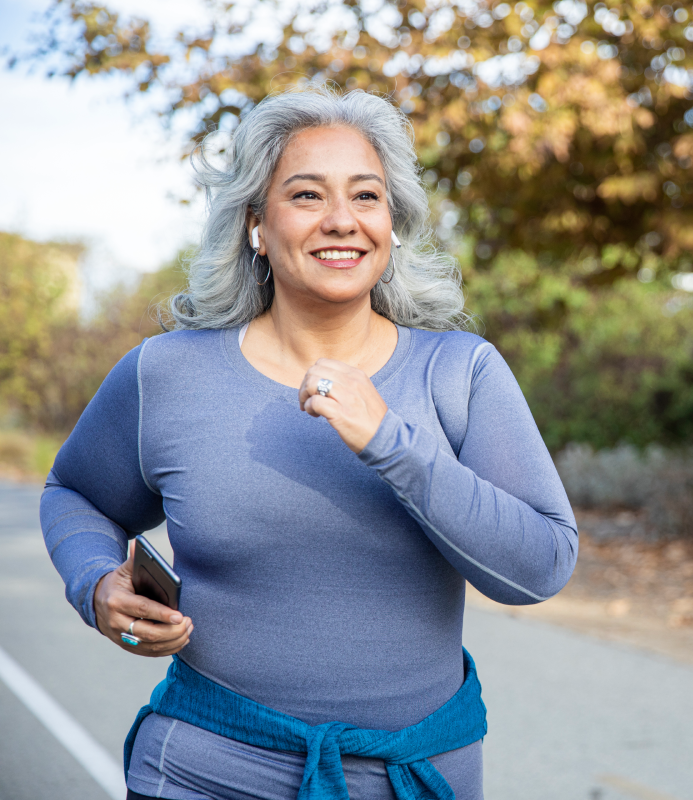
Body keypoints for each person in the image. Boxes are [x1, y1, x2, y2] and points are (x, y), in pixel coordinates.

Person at [40, 86, 578, 800]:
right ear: (256, 224)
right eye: (306, 196)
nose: (341, 222)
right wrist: (97, 583)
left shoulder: (462, 372)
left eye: (366, 196)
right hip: (205, 772)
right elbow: (73, 493)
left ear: (392, 222)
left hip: (415, 778)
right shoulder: (167, 373)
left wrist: (393, 443)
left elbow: (538, 569)